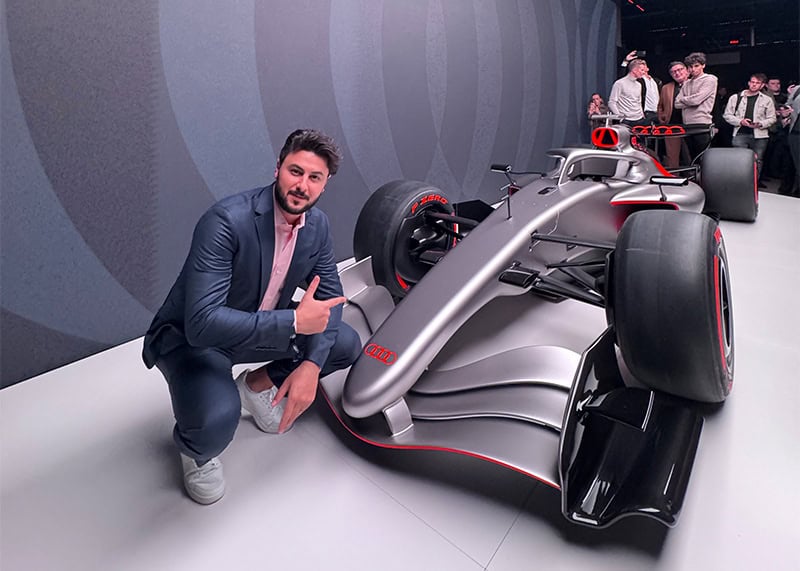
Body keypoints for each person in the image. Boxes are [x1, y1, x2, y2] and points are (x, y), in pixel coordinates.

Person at [142, 129, 361, 504]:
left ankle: (256, 386)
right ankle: (196, 453)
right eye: (295, 171)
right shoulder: (226, 221)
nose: (302, 185)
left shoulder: (317, 226)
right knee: (215, 422)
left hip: (257, 326)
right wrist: (294, 323)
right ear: (278, 169)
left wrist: (310, 366)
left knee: (344, 343)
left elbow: (331, 300)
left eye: (315, 177)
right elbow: (202, 323)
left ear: (325, 184)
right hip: (194, 341)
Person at [722, 74, 776, 179]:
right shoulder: (736, 97)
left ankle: (754, 183)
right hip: (740, 133)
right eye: (752, 82)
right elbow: (727, 115)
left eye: (757, 83)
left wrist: (761, 123)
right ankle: (739, 182)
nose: (754, 85)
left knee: (757, 160)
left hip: (760, 135)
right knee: (738, 159)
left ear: (762, 85)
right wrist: (740, 121)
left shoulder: (767, 100)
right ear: (748, 83)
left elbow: (772, 118)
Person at [674, 52, 718, 161]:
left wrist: (684, 99)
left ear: (703, 65)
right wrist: (690, 100)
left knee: (704, 158)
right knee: (692, 157)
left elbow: (696, 100)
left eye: (696, 66)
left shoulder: (710, 79)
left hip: (702, 123)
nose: (693, 69)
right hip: (687, 124)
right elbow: (676, 104)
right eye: (690, 67)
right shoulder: (687, 83)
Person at [657, 61, 690, 168]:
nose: (677, 73)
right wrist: (662, 118)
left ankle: (693, 175)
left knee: (690, 155)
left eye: (680, 70)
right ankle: (675, 176)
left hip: (691, 125)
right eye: (673, 72)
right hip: (672, 126)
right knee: (672, 157)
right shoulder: (666, 88)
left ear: (687, 70)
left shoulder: (695, 84)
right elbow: (660, 105)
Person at [608, 59, 648, 126]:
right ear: (634, 70)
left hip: (639, 119)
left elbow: (639, 102)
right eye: (642, 70)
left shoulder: (639, 85)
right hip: (626, 120)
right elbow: (612, 102)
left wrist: (642, 115)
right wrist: (620, 118)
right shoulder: (619, 83)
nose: (644, 72)